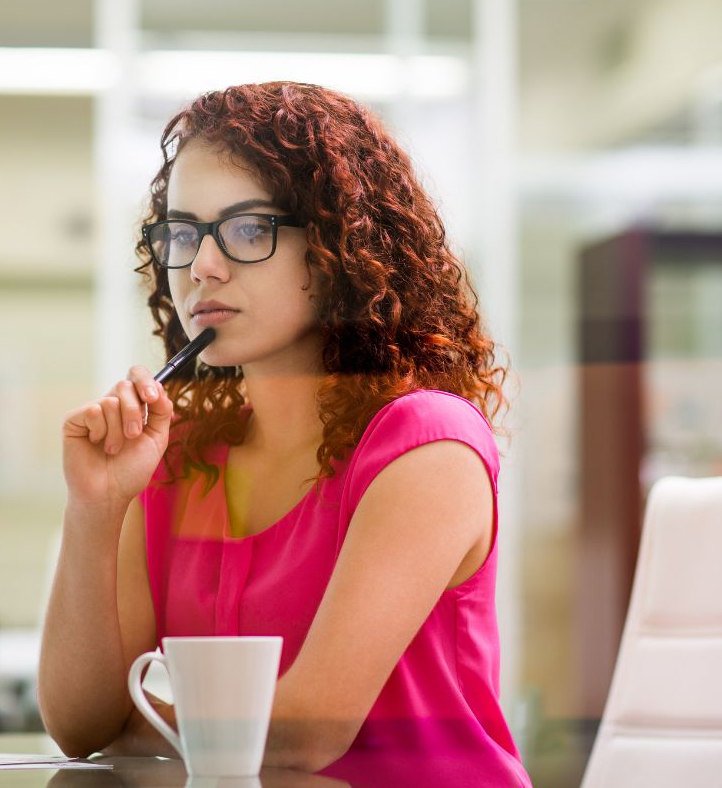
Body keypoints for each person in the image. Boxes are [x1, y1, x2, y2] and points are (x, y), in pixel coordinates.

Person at [38, 81, 531, 787]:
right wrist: (95, 507)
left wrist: (140, 721)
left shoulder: (428, 445)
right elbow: (81, 725)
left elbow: (308, 730)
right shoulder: (178, 456)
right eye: (183, 234)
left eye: (248, 229)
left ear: (339, 245)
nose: (202, 266)